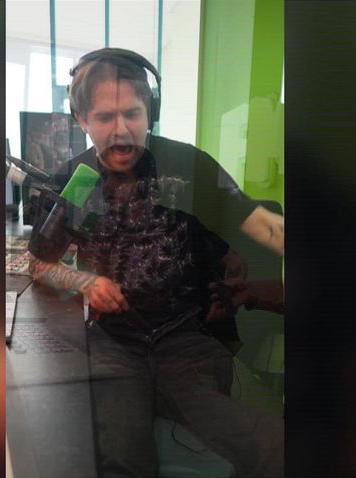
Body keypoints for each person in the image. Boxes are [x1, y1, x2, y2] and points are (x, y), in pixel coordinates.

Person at [27, 48, 283, 478]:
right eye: (105, 118)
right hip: (113, 342)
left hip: (185, 341)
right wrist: (85, 282)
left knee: (267, 441)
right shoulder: (76, 181)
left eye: (133, 113)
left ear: (152, 112)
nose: (121, 130)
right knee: (122, 455)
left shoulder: (187, 164)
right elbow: (38, 264)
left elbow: (258, 223)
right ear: (82, 120)